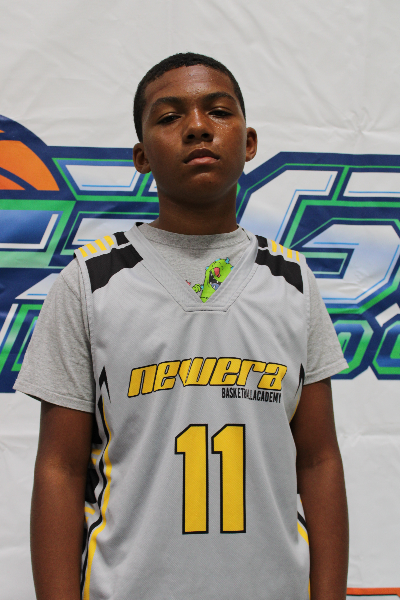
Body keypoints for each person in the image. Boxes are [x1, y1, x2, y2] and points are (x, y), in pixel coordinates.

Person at [15, 52, 349, 600]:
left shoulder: (292, 280)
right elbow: (59, 468)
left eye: (218, 111)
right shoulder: (90, 281)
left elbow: (318, 459)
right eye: (170, 117)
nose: (197, 127)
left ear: (249, 142)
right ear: (142, 157)